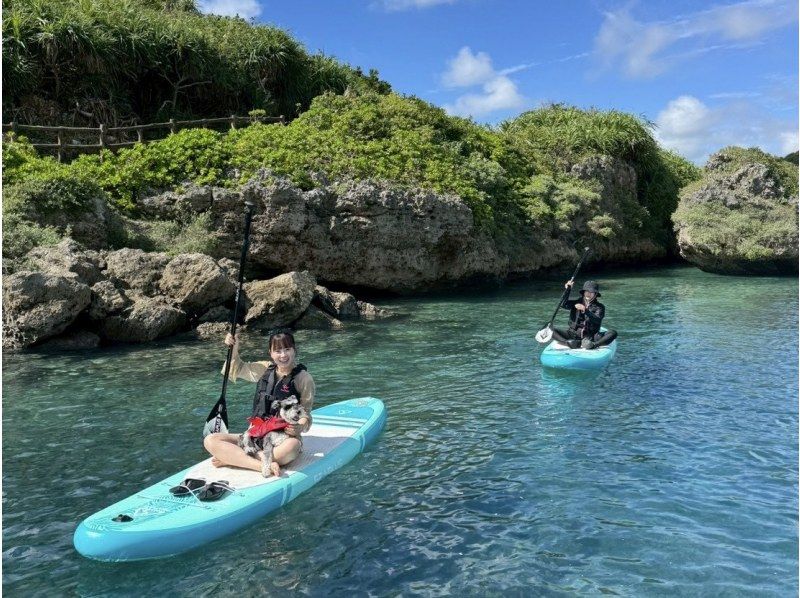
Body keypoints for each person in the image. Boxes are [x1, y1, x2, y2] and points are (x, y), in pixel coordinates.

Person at [203, 330, 315, 477]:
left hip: (282, 439)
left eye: (287, 349)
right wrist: (234, 349)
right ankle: (260, 464)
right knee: (211, 440)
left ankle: (235, 458)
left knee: (292, 448)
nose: (283, 355)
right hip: (255, 435)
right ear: (271, 353)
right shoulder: (264, 369)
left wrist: (300, 426)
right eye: (278, 350)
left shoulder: (304, 378)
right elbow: (237, 369)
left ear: (294, 350)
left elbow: (305, 413)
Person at [551, 280, 617, 350]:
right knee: (549, 330)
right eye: (587, 291)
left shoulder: (599, 307)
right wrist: (568, 290)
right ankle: (568, 342)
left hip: (591, 337)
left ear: (595, 294)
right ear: (584, 292)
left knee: (613, 333)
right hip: (573, 334)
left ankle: (593, 345)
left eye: (592, 292)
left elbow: (597, 319)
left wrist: (585, 310)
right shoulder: (576, 302)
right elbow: (562, 304)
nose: (589, 294)